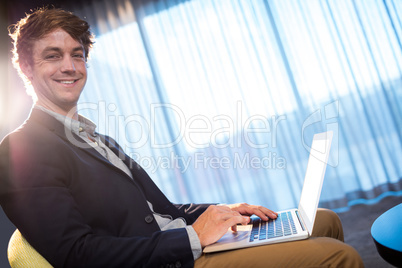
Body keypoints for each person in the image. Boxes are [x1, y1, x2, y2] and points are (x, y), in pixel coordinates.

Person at [0, 7, 363, 268]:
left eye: (77, 55)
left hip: (180, 246)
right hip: (171, 260)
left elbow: (159, 213)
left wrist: (223, 211)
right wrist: (194, 238)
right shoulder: (22, 149)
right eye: (53, 56)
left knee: (324, 219)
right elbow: (76, 255)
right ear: (27, 68)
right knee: (339, 257)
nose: (70, 66)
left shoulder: (97, 139)